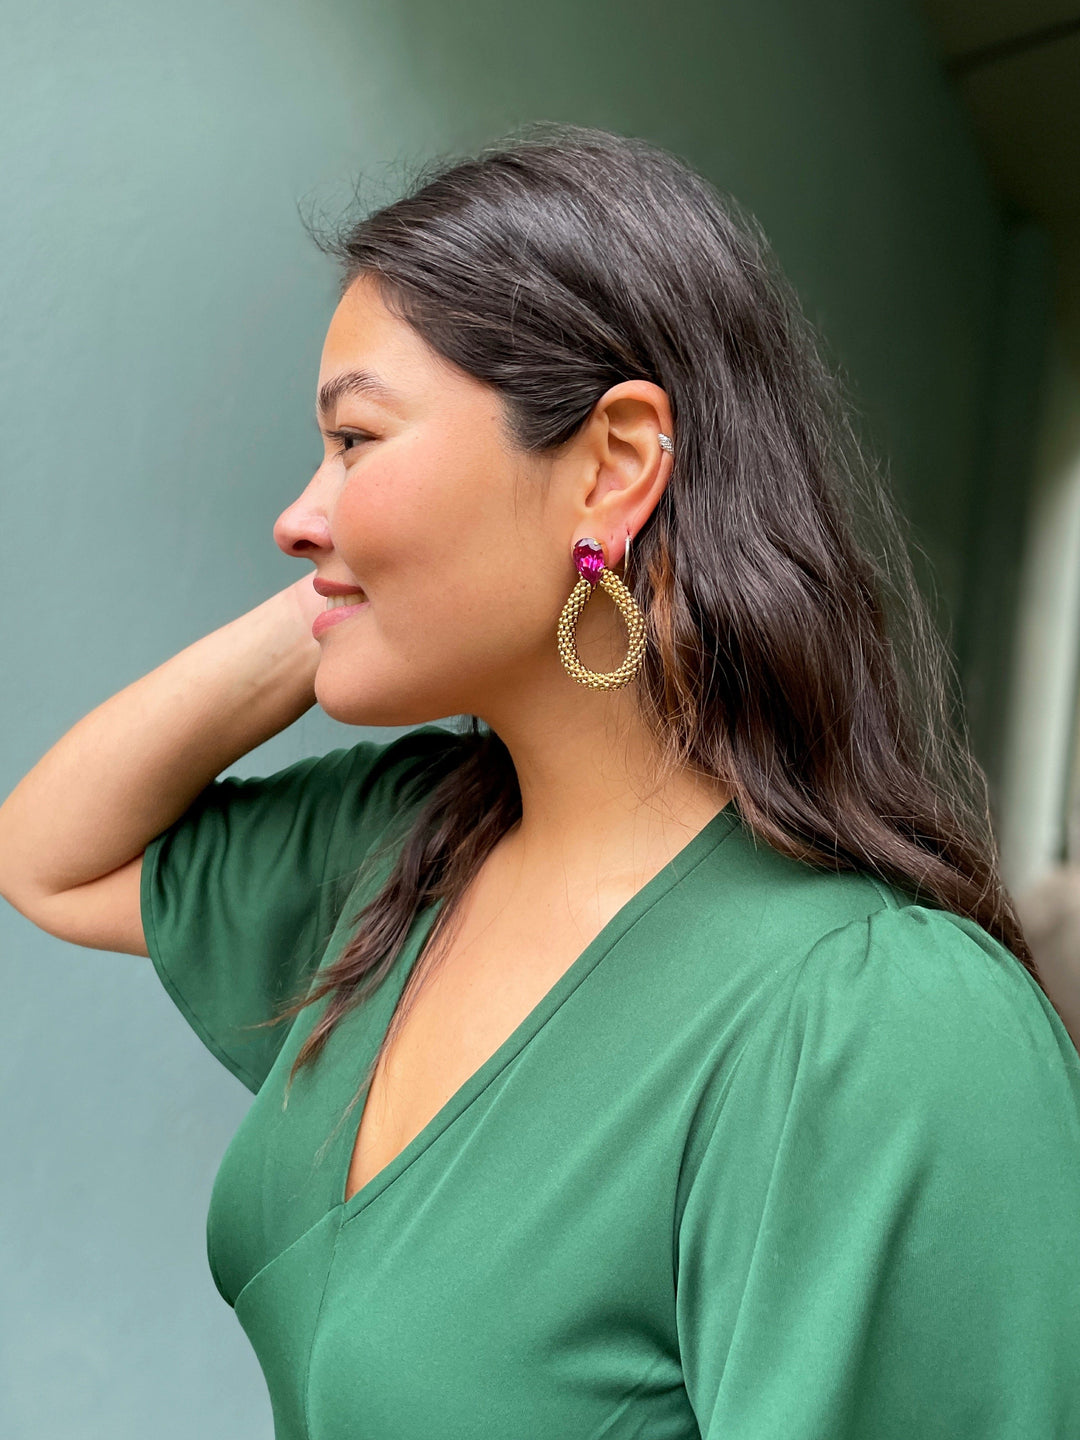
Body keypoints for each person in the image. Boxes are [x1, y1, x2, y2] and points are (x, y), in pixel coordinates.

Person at [2, 122, 1079, 1439]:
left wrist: (372, 574)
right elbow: (51, 859)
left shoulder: (877, 1029)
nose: (297, 513)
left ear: (615, 464)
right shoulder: (406, 846)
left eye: (354, 440)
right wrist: (340, 592)